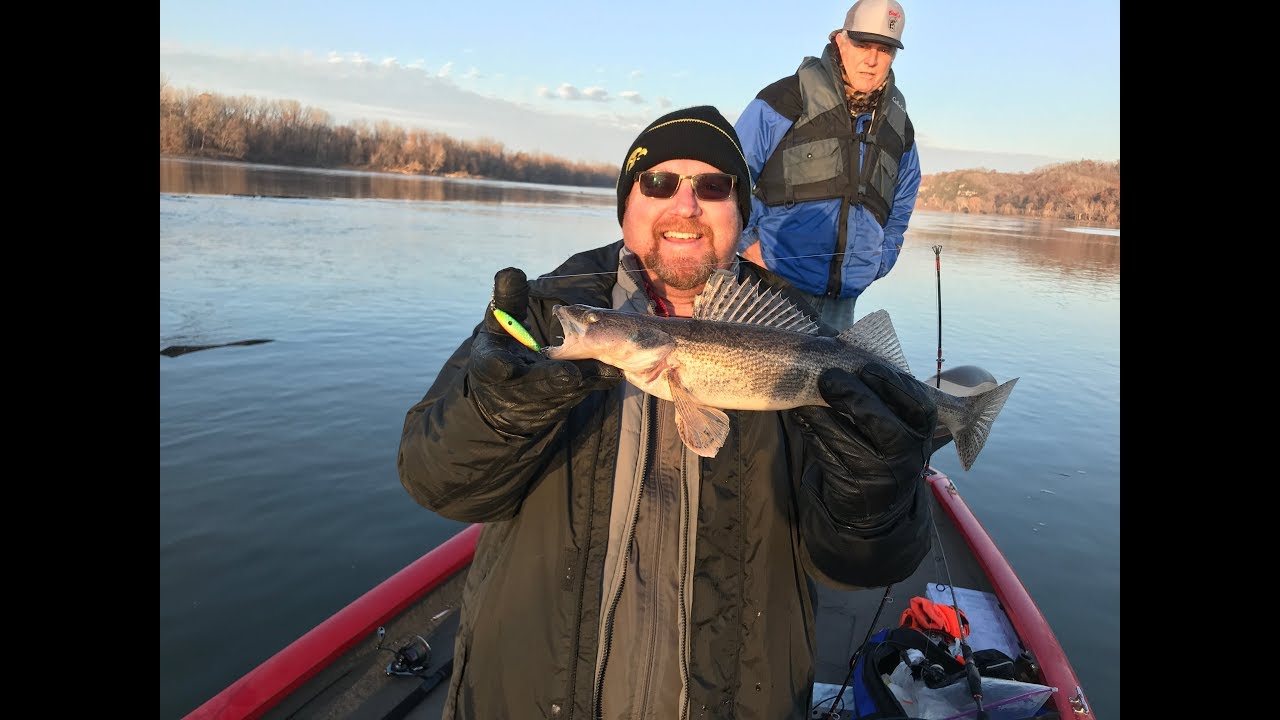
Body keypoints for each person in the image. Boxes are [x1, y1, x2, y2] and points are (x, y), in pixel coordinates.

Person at [397, 105, 937, 720]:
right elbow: (431, 478)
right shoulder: (542, 318)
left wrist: (877, 490)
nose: (685, 207)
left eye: (713, 187)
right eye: (657, 183)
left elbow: (866, 566)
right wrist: (498, 414)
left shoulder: (804, 335)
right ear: (626, 206)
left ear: (741, 213)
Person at [734, 0, 921, 328]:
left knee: (833, 381)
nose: (872, 59)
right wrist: (748, 245)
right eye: (863, 44)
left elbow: (902, 202)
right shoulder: (787, 98)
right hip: (770, 291)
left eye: (885, 49)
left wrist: (881, 258)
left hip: (843, 303)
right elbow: (728, 175)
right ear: (841, 39)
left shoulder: (899, 126)